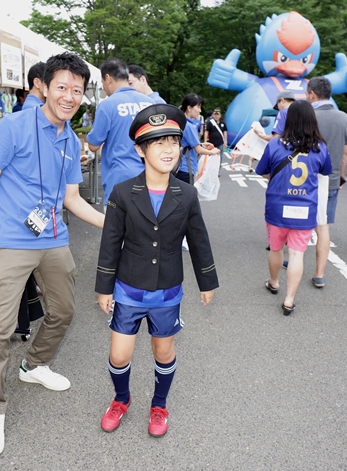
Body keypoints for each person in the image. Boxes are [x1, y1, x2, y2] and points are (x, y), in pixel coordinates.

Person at [0, 52, 106, 458]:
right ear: (44, 87)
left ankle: (35, 365)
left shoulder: (71, 140)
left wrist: (111, 224)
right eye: (62, 87)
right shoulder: (13, 126)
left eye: (77, 90)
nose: (69, 96)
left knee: (64, 311)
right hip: (9, 241)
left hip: (53, 239)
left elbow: (71, 199)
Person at [95, 103, 219, 437]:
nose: (168, 149)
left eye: (173, 142)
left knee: (163, 351)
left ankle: (159, 405)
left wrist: (207, 281)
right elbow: (110, 242)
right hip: (128, 288)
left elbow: (199, 240)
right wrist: (104, 287)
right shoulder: (123, 193)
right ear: (140, 150)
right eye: (158, 143)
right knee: (119, 355)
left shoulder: (187, 194)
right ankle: (121, 399)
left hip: (167, 290)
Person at [256, 100, 332, 315]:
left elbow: (262, 171)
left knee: (276, 248)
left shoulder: (275, 144)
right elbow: (325, 171)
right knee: (297, 254)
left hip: (277, 206)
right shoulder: (320, 147)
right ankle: (289, 300)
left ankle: (274, 282)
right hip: (305, 209)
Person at [305, 76, 347, 289]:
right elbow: (344, 153)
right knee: (323, 227)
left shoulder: (308, 116)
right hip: (331, 179)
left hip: (305, 180)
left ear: (313, 94)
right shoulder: (344, 118)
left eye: (307, 93)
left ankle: (294, 259)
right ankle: (319, 273)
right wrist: (339, 176)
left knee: (299, 225)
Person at [87, 58, 154, 204]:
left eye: (102, 82)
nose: (103, 87)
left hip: (118, 178)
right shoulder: (149, 103)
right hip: (149, 177)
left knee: (116, 218)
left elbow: (93, 145)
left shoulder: (107, 105)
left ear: (108, 78)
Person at [176, 93, 220, 185]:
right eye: (198, 107)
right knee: (188, 194)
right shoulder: (189, 126)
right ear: (189, 108)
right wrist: (213, 152)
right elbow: (198, 150)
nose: (200, 111)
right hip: (186, 168)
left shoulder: (181, 122)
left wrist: (201, 144)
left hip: (179, 167)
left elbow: (186, 144)